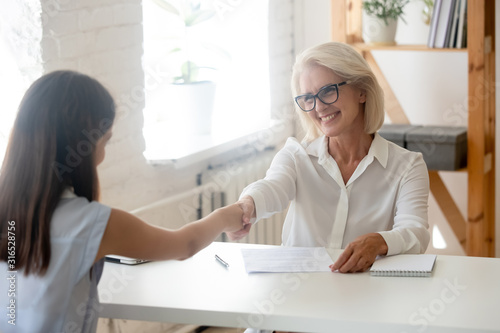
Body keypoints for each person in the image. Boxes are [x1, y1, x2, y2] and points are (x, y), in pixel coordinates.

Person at [0, 70, 246, 333]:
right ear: (79, 146)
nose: (103, 154)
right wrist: (223, 217)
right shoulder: (91, 223)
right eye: (104, 142)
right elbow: (184, 245)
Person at [231, 42, 430, 277]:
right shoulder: (297, 157)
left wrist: (379, 242)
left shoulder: (407, 166)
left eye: (327, 91)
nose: (318, 107)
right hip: (298, 296)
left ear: (362, 91)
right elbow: (272, 187)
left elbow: (416, 233)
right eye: (308, 98)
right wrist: (247, 204)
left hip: (368, 298)